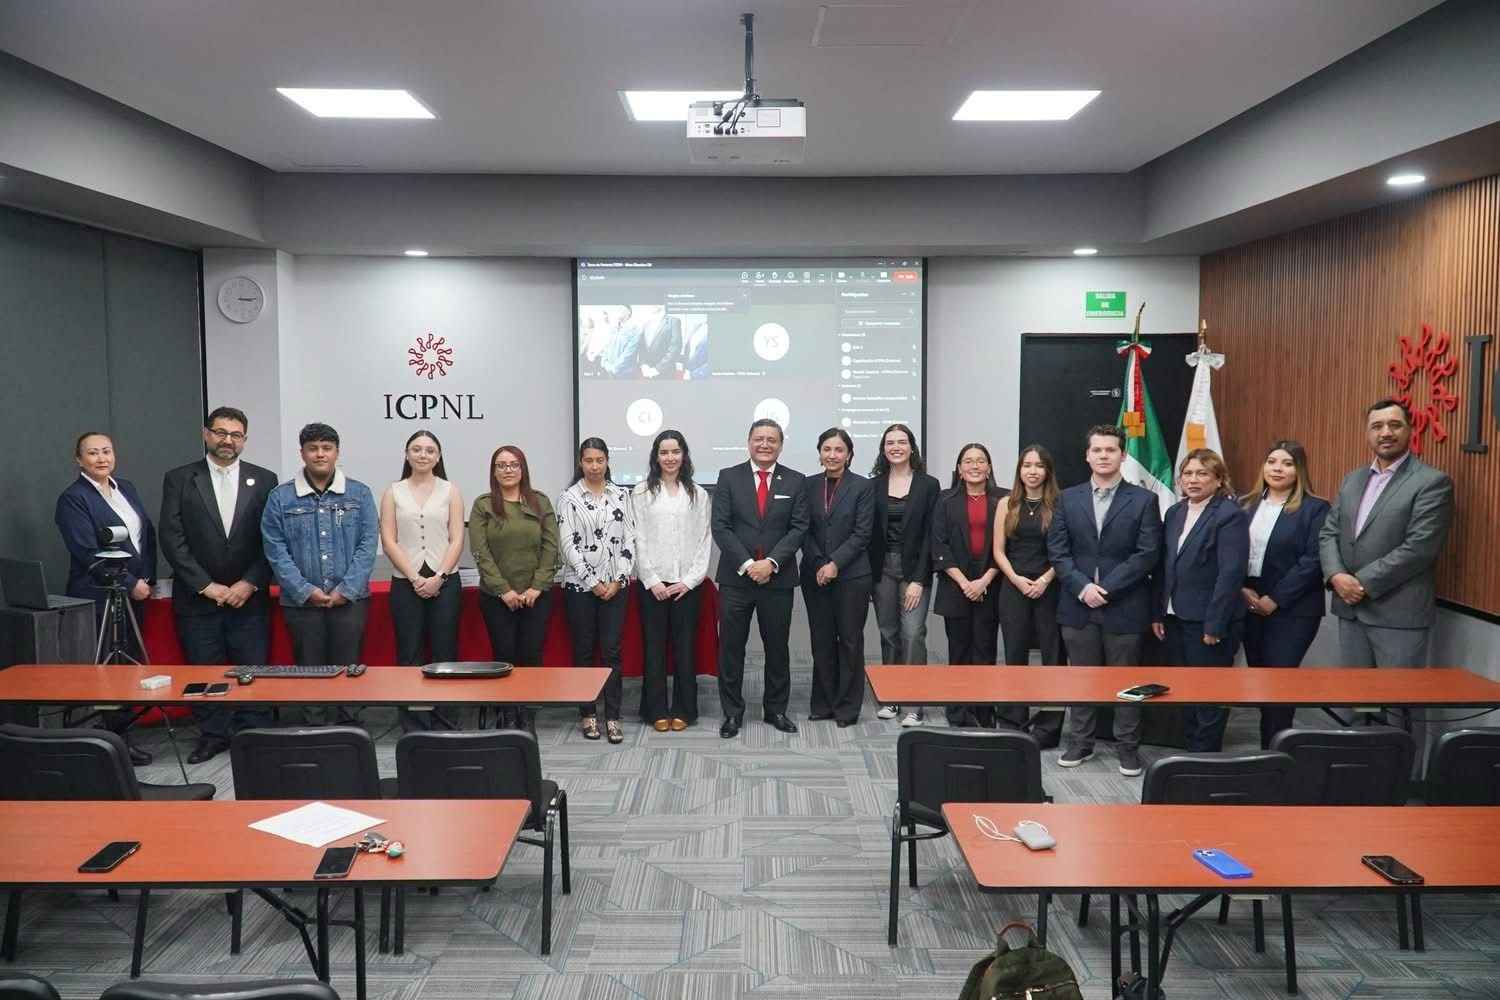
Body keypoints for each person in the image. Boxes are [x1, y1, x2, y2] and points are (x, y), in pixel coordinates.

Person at [1320, 398, 1454, 770]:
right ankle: (1362, 773)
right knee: (1361, 701)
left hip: (1397, 615)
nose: (1386, 432)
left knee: (1398, 705)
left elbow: (1419, 548)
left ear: (1410, 430)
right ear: (1367, 433)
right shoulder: (1353, 479)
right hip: (1351, 612)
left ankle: (1403, 781)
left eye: (1394, 425)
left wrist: (1359, 583)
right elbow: (1329, 532)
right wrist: (1335, 576)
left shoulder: (1431, 482)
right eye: (1377, 425)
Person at [158, 406, 276, 763]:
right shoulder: (180, 478)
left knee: (250, 668)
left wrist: (250, 582)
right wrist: (206, 586)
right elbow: (172, 537)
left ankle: (252, 732)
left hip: (248, 598)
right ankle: (212, 735)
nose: (228, 440)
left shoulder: (265, 479)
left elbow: (271, 539)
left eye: (236, 434)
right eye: (221, 432)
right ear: (206, 434)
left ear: (244, 439)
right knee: (204, 669)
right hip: (198, 599)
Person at [1048, 424, 1163, 776]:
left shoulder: (1144, 500)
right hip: (1077, 604)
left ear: (1122, 455)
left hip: (1124, 606)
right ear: (1087, 455)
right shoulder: (1068, 497)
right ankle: (1081, 742)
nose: (1103, 456)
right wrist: (1083, 587)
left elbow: (1146, 554)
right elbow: (1058, 549)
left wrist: (1106, 589)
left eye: (1110, 450)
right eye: (1096, 450)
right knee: (1081, 679)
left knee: (1127, 683)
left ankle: (1128, 747)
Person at [260, 422, 378, 726]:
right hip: (301, 602)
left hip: (350, 600)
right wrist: (303, 589)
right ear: (302, 453)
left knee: (349, 666)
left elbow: (368, 545)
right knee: (308, 667)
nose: (320, 454)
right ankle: (314, 728)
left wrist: (347, 589)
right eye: (313, 448)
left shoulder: (359, 493)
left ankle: (350, 727)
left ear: (337, 452)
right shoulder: (280, 497)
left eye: (326, 448)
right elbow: (275, 549)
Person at [54, 431, 157, 765]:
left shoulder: (125, 488)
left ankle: (123, 735)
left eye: (107, 451)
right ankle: (110, 745)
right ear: (79, 459)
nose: (101, 458)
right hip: (98, 595)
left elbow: (146, 535)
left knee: (126, 666)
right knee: (105, 671)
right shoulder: (74, 498)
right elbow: (87, 552)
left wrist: (146, 579)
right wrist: (129, 583)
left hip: (134, 592)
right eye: (93, 453)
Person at [712, 418, 808, 739]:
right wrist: (747, 564)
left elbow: (798, 528)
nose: (765, 445)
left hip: (777, 580)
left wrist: (771, 563)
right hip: (736, 579)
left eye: (772, 440)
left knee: (777, 647)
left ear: (781, 445)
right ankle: (732, 714)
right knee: (731, 648)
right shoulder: (729, 477)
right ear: (748, 441)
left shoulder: (795, 480)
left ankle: (776, 710)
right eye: (759, 439)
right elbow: (721, 527)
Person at [1152, 448, 1249, 753]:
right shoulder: (1175, 512)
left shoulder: (1229, 514)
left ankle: (1206, 754)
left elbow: (1230, 573)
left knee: (1209, 692)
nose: (1193, 480)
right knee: (1184, 689)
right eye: (1188, 474)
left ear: (1218, 479)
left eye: (1202, 473)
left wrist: (1215, 623)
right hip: (1175, 616)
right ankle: (1192, 747)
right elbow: (1166, 565)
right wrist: (1158, 611)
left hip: (1209, 621)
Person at [1240, 440, 1331, 748]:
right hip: (1247, 601)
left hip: (1292, 609)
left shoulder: (1315, 508)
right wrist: (1241, 589)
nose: (1277, 468)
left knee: (1280, 682)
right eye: (1272, 461)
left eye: (1287, 463)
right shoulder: (1245, 504)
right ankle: (1268, 747)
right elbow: (1229, 553)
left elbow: (1313, 560)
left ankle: (1277, 752)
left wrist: (1275, 598)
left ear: (1299, 470)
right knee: (1260, 682)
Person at [379, 430, 465, 729]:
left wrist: (439, 576)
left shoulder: (450, 490)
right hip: (406, 582)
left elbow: (457, 539)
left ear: (438, 456)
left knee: (445, 652)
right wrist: (415, 577)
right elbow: (389, 540)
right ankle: (415, 722)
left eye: (430, 450)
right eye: (416, 449)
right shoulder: (393, 491)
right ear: (407, 454)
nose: (423, 455)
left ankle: (445, 719)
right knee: (409, 653)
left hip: (446, 581)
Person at [470, 445, 557, 730]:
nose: (507, 470)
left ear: (523, 469)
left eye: (513, 465)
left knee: (531, 653)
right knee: (504, 652)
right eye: (501, 465)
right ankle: (507, 711)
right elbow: (480, 552)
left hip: (536, 595)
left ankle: (527, 712)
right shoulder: (483, 505)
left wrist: (536, 587)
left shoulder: (540, 501)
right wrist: (503, 590)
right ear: (494, 471)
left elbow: (550, 548)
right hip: (497, 597)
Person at [557, 437, 635, 744]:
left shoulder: (621, 494)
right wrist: (593, 582)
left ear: (607, 461)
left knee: (612, 652)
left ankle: (613, 716)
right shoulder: (569, 497)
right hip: (580, 588)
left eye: (599, 460)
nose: (594, 466)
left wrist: (618, 579)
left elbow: (630, 538)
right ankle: (588, 713)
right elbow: (568, 545)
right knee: (584, 652)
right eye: (588, 460)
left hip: (617, 587)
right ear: (580, 462)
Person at [631, 429, 711, 731]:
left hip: (686, 587)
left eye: (675, 452)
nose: (670, 458)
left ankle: (684, 710)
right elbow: (636, 537)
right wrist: (651, 579)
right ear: (656, 456)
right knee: (653, 650)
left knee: (685, 650)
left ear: (684, 455)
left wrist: (689, 581)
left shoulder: (698, 494)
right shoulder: (641, 493)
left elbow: (705, 540)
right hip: (652, 586)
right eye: (664, 453)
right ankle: (654, 711)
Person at [801, 428, 875, 728]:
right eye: (827, 449)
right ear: (819, 453)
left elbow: (863, 533)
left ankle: (847, 708)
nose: (832, 455)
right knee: (821, 642)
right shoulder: (807, 485)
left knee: (849, 641)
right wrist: (820, 561)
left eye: (839, 450)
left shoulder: (862, 486)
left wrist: (835, 564)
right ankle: (823, 704)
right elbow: (801, 528)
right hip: (814, 573)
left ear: (849, 454)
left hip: (852, 576)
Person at [869, 424, 941, 728]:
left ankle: (914, 703)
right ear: (884, 449)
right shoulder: (873, 485)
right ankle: (892, 696)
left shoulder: (928, 485)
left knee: (913, 634)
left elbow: (931, 536)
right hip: (880, 568)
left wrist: (919, 579)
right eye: (890, 443)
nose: (895, 447)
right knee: (888, 634)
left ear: (912, 447)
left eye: (902, 442)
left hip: (914, 569)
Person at [992, 445, 1065, 743]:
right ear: (1019, 470)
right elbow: (998, 550)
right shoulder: (1006, 504)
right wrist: (1017, 580)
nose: (1032, 471)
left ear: (1047, 471)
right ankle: (1013, 721)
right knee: (1014, 655)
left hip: (1050, 587)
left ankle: (1048, 728)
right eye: (1026, 465)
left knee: (1053, 658)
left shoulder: (1061, 504)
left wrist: (1046, 579)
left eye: (1038, 466)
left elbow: (1066, 551)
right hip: (1014, 587)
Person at [929, 443, 1006, 728]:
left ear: (989, 468)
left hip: (992, 585)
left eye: (980, 461)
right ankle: (959, 711)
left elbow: (1009, 545)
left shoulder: (1004, 500)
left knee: (985, 652)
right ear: (959, 470)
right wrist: (965, 582)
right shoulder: (945, 500)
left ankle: (984, 711)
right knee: (959, 652)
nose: (974, 466)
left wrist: (984, 579)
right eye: (968, 461)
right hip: (955, 586)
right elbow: (938, 545)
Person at [636, 307, 683, 379]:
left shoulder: (673, 321)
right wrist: (644, 365)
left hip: (665, 375)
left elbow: (675, 348)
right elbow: (642, 347)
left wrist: (657, 369)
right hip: (647, 374)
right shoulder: (646, 324)